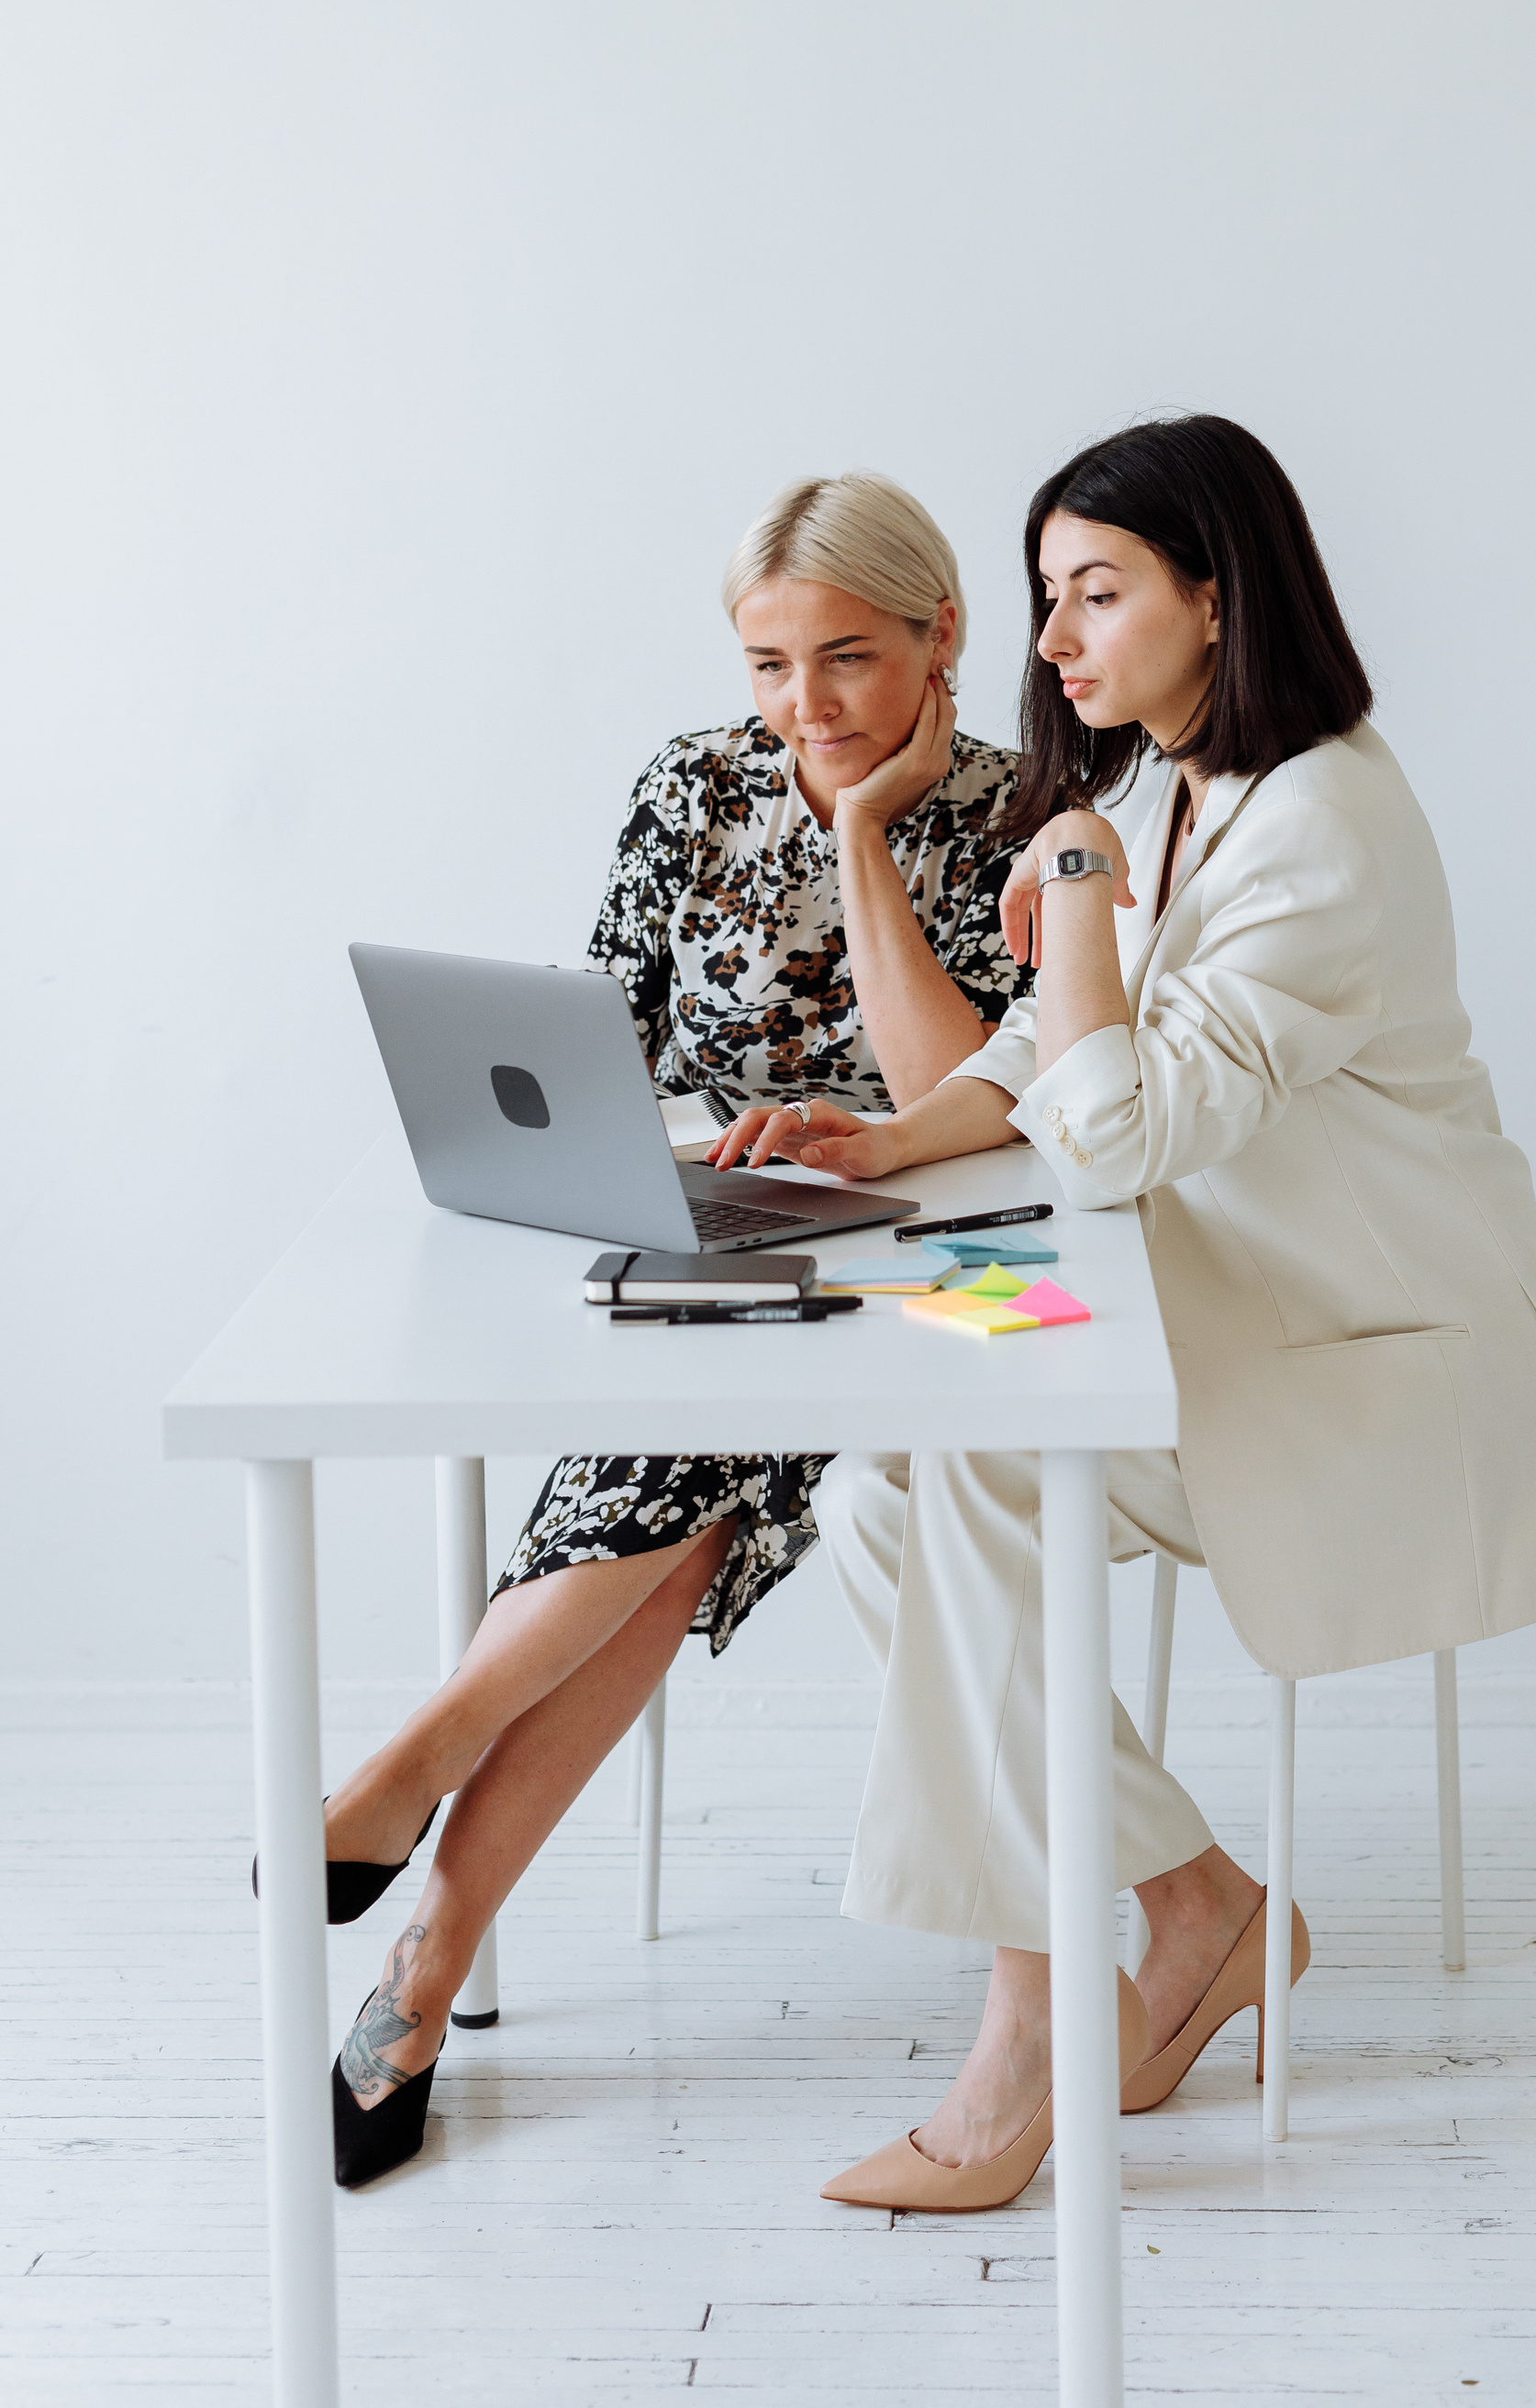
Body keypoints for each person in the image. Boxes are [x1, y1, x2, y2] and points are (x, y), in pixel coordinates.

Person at [709, 413, 1536, 2212]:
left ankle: (1027, 2022)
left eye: (1096, 592)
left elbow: (1118, 1130)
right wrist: (886, 1137)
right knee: (877, 1487)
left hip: (1393, 1380)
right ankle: (1196, 1904)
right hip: (1238, 1336)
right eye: (1046, 595)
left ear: (1216, 598)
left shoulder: (1322, 829)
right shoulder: (1173, 784)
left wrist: (1068, 881)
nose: (1054, 639)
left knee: (971, 1470)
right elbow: (1041, 1049)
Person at [303, 472, 1028, 2189]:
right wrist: (636, 1158)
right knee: (682, 1500)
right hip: (725, 1232)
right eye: (769, 664)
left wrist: (864, 834)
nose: (804, 706)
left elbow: (972, 1093)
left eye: (846, 657)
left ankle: (421, 1829)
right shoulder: (687, 785)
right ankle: (421, 1928)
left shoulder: (1023, 812)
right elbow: (605, 1031)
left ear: (942, 634)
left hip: (937, 1258)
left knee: (680, 1464)